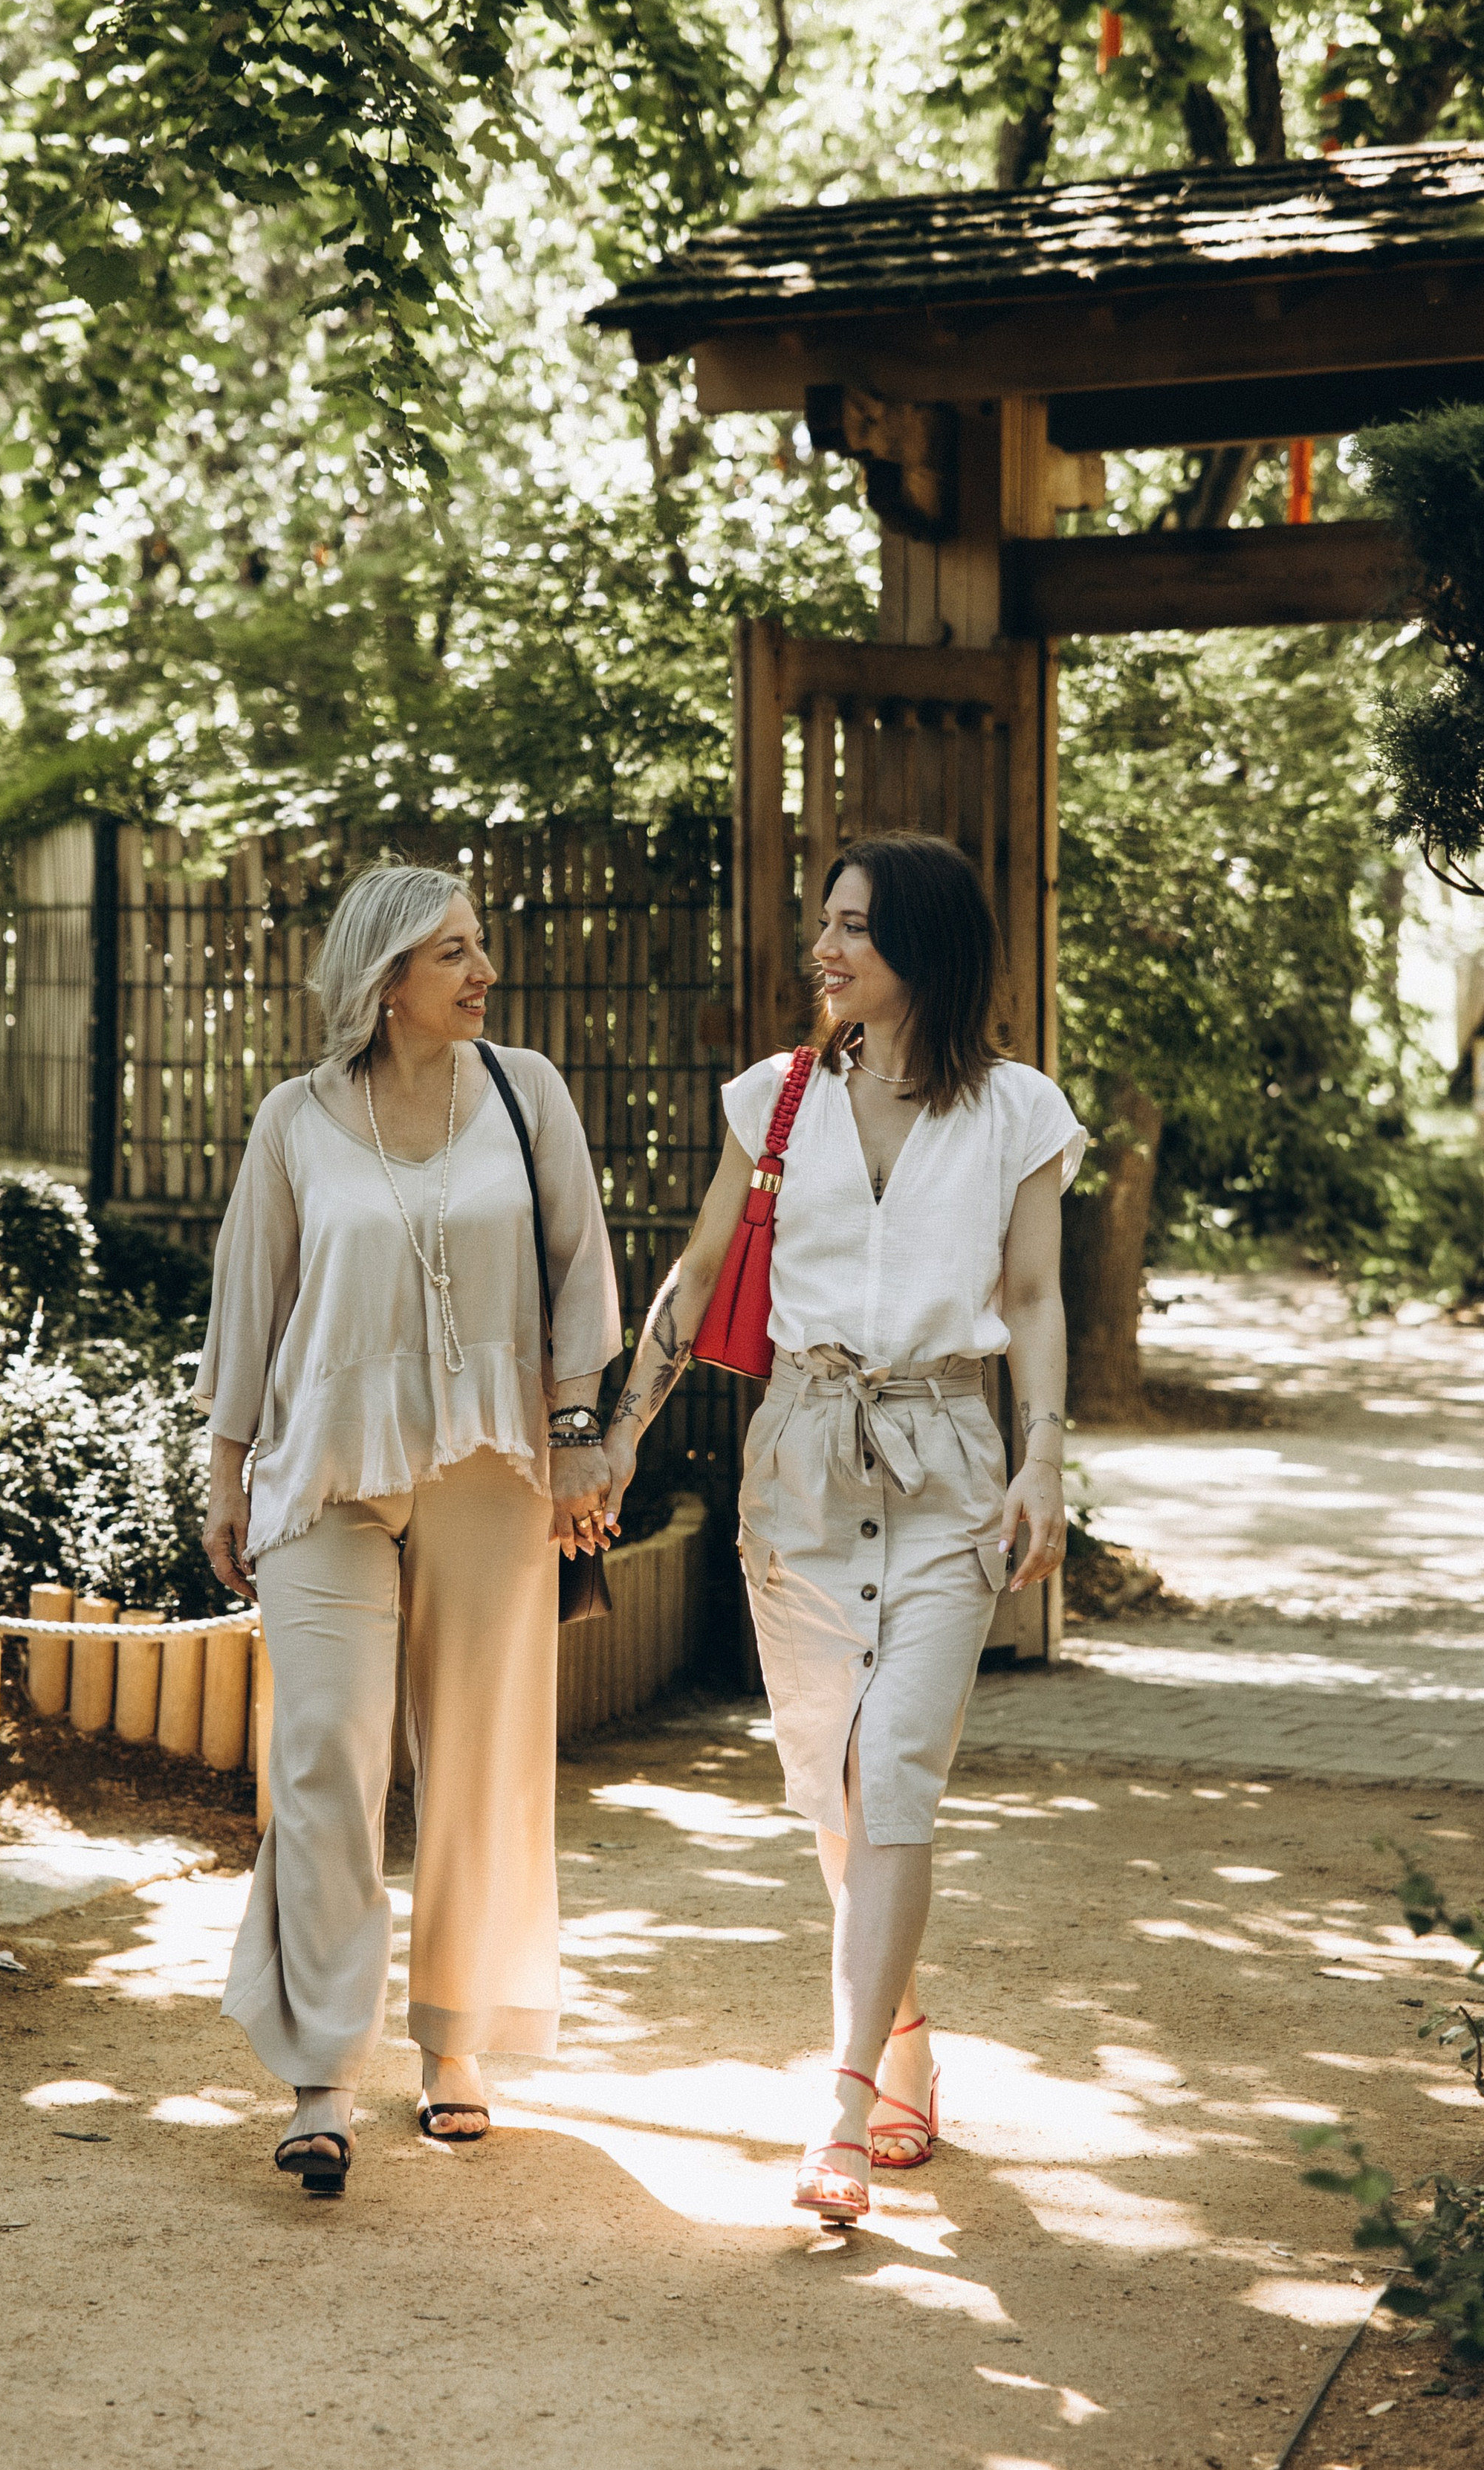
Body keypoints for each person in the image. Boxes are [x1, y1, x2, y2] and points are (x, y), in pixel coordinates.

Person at [603, 831, 1082, 2225]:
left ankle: (844, 2102)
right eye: (823, 924)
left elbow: (1036, 1299)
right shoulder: (779, 1098)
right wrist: (623, 1433)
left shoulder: (1018, 1113)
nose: (825, 949)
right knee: (832, 1792)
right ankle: (910, 2033)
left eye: (854, 927)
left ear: (922, 947)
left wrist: (1044, 1458)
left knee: (897, 1770)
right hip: (799, 1468)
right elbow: (695, 1280)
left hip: (948, 1465)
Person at [193, 862, 622, 2196]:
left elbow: (579, 1272)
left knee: (483, 1750)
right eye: (452, 953)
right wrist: (223, 1475)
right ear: (384, 982)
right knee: (323, 1748)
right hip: (324, 1466)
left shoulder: (524, 1090)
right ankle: (325, 2069)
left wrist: (577, 1439)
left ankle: (455, 2042)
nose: (481, 971)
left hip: (491, 1460)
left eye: (479, 946)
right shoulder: (296, 1121)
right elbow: (247, 1306)